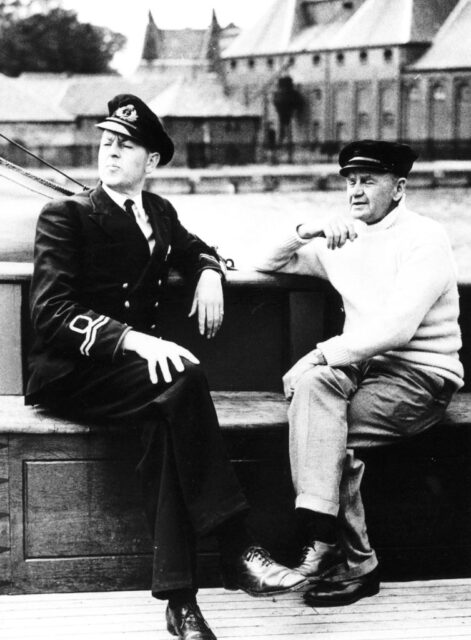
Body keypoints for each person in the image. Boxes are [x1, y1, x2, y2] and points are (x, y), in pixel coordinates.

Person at [25, 94, 307, 640]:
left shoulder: (159, 213)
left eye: (125, 147)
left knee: (166, 423)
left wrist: (206, 269)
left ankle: (183, 606)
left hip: (134, 383)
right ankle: (238, 547)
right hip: (74, 373)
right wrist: (133, 340)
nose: (110, 153)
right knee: (185, 377)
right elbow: (50, 313)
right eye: (106, 143)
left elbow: (198, 248)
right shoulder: (67, 215)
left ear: (151, 162)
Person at [255, 139, 464, 607]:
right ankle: (323, 533)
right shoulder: (342, 239)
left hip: (421, 378)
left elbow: (396, 328)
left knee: (327, 428)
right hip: (361, 369)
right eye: (349, 181)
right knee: (313, 391)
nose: (354, 191)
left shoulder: (423, 237)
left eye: (368, 181)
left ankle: (351, 559)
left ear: (399, 187)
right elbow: (263, 261)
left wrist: (318, 354)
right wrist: (307, 228)